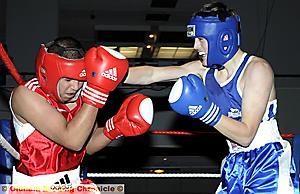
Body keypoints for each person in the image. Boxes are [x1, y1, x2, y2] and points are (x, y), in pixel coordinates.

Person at [124, 1, 296, 193]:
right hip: (234, 163)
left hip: (266, 163)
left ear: (222, 38)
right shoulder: (204, 70)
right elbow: (153, 75)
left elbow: (246, 135)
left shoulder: (257, 70)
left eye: (201, 39)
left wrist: (206, 112)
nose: (195, 46)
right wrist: (114, 74)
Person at [9, 37, 154, 188]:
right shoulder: (26, 95)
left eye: (80, 79)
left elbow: (87, 145)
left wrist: (115, 127)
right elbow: (73, 141)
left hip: (74, 185)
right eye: (68, 80)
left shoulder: (80, 96)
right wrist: (97, 91)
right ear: (47, 73)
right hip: (35, 189)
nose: (75, 87)